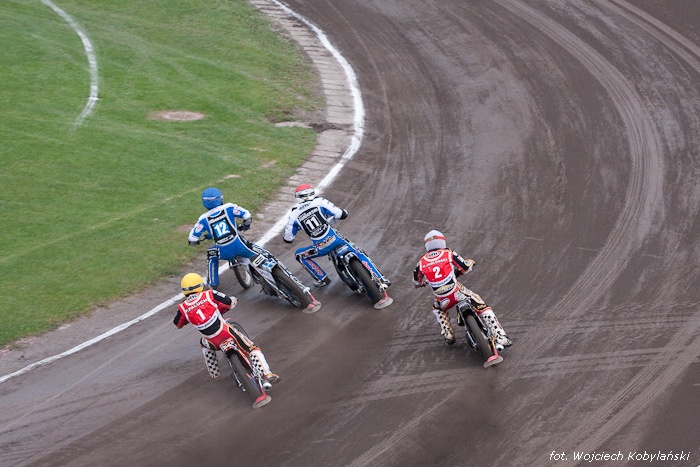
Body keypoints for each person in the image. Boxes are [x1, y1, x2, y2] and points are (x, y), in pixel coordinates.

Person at [282, 183, 393, 308]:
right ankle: (381, 279)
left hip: (321, 248)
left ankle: (322, 278)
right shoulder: (320, 201)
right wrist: (344, 213)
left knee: (299, 255)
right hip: (337, 240)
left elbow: (288, 238)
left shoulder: (293, 214)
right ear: (312, 193)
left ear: (297, 197)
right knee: (359, 253)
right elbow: (340, 214)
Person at [173, 272, 280, 390]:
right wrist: (234, 301)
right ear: (200, 285)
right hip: (226, 332)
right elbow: (229, 302)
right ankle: (267, 374)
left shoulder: (182, 308)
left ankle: (214, 372)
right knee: (252, 349)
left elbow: (177, 324)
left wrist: (188, 318)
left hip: (212, 342)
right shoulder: (209, 294)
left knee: (203, 343)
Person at [413, 230, 512, 349]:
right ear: (442, 241)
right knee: (481, 305)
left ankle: (448, 332)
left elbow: (416, 281)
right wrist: (470, 263)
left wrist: (421, 283)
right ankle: (500, 336)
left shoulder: (421, 262)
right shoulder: (448, 253)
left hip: (442, 298)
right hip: (456, 292)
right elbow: (464, 267)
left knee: (437, 309)